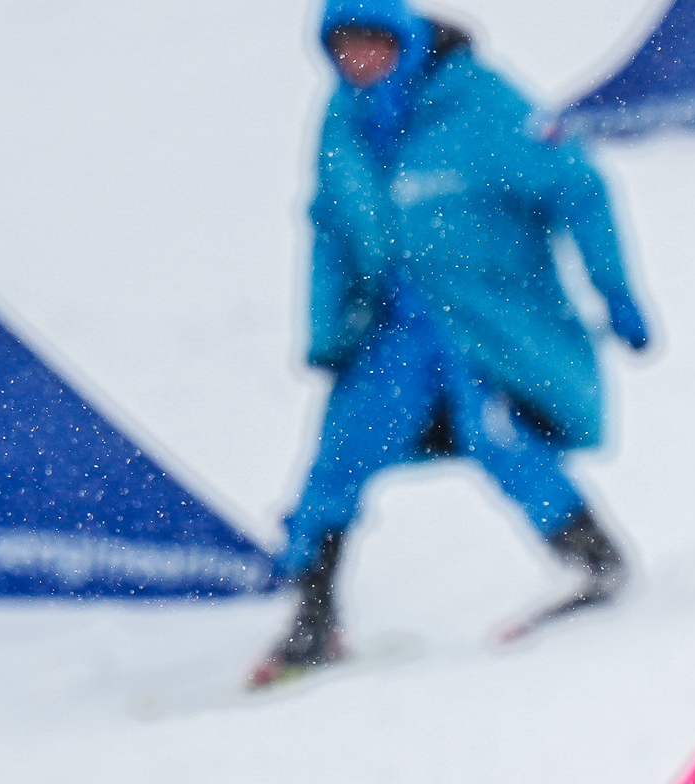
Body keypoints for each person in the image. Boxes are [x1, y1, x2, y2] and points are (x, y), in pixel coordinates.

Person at [253, 0, 654, 689]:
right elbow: (329, 226)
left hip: (483, 325)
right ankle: (313, 614)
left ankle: (595, 559)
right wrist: (325, 328)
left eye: (372, 44)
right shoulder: (343, 122)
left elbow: (579, 187)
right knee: (339, 457)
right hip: (391, 332)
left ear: (402, 39)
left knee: (500, 435)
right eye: (343, 48)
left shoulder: (483, 104)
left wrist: (615, 292)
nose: (359, 61)